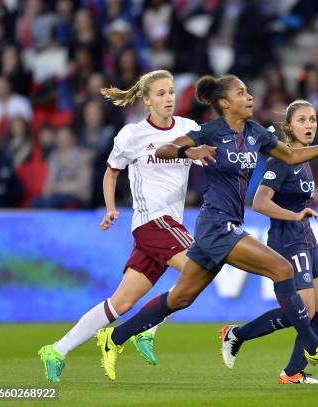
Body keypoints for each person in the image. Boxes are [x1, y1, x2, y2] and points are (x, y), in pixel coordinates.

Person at [95, 74, 318, 381]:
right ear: (224, 103)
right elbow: (163, 150)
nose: (249, 97)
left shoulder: (255, 132)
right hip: (216, 225)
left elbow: (291, 155)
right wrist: (189, 151)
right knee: (282, 269)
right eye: (241, 93)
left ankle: (112, 339)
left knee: (180, 298)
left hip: (226, 225)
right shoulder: (211, 131)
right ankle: (313, 347)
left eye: (248, 92)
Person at [38, 70, 212, 382]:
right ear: (146, 101)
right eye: (160, 93)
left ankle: (57, 349)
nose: (168, 98)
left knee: (121, 303)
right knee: (200, 268)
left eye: (171, 92)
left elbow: (208, 156)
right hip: (152, 222)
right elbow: (111, 172)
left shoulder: (188, 128)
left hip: (168, 224)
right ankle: (148, 327)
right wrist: (109, 208)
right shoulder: (132, 135)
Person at [217, 100, 318, 384]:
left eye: (313, 119)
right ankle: (237, 334)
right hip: (287, 240)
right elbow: (259, 202)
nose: (309, 125)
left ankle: (293, 372)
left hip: (307, 236)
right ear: (289, 127)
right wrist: (294, 216)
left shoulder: (303, 158)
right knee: (304, 311)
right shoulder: (282, 160)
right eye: (302, 120)